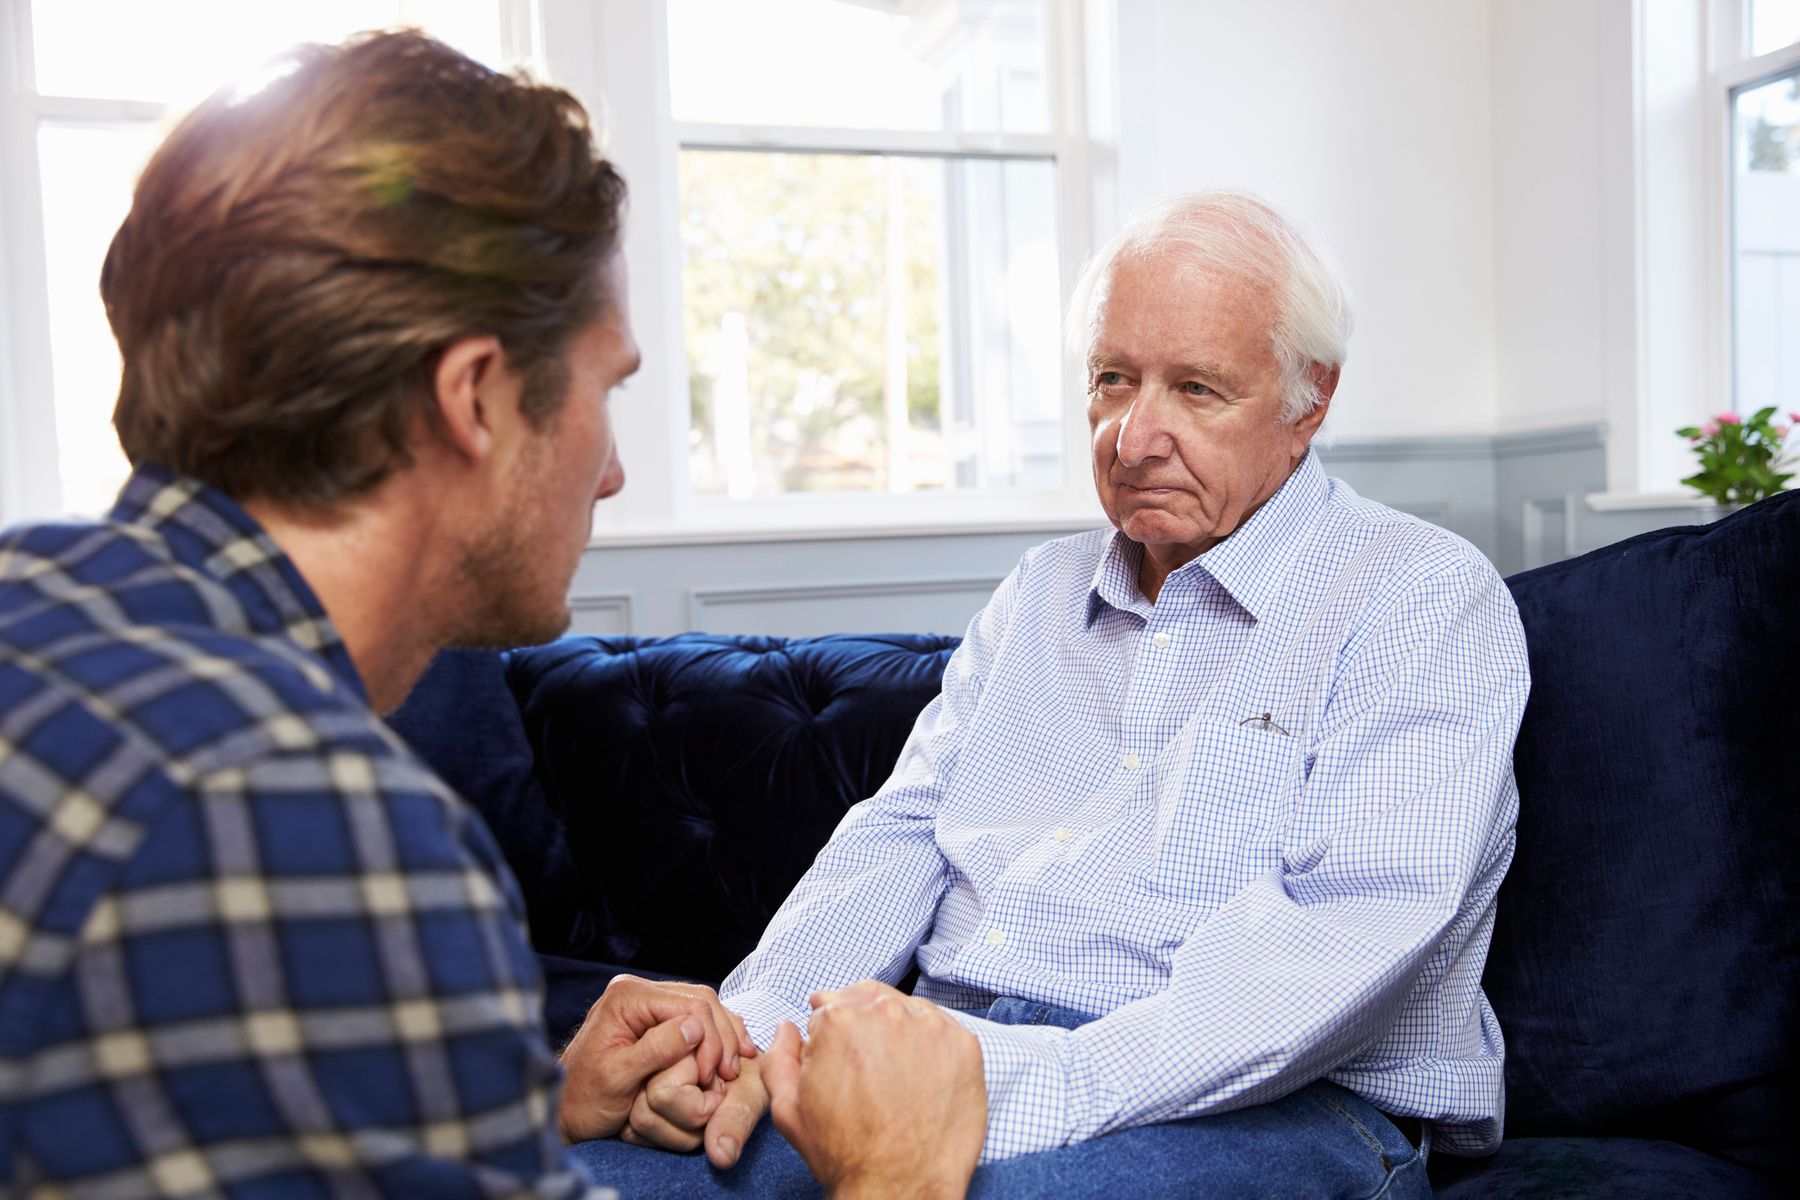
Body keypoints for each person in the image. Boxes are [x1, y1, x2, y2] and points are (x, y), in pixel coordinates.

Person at [0, 30, 983, 1198]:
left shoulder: (34, 607)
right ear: (474, 397)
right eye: (602, 389)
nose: (611, 472)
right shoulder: (306, 820)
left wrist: (525, 1102)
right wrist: (896, 1177)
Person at [581, 190, 1532, 1198]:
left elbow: (1335, 951)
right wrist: (749, 1042)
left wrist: (980, 1093)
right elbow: (897, 839)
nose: (1132, 437)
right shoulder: (1038, 592)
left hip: (1282, 1103)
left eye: (1197, 390)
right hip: (955, 1054)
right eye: (1112, 381)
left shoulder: (1421, 597)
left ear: (1310, 400)